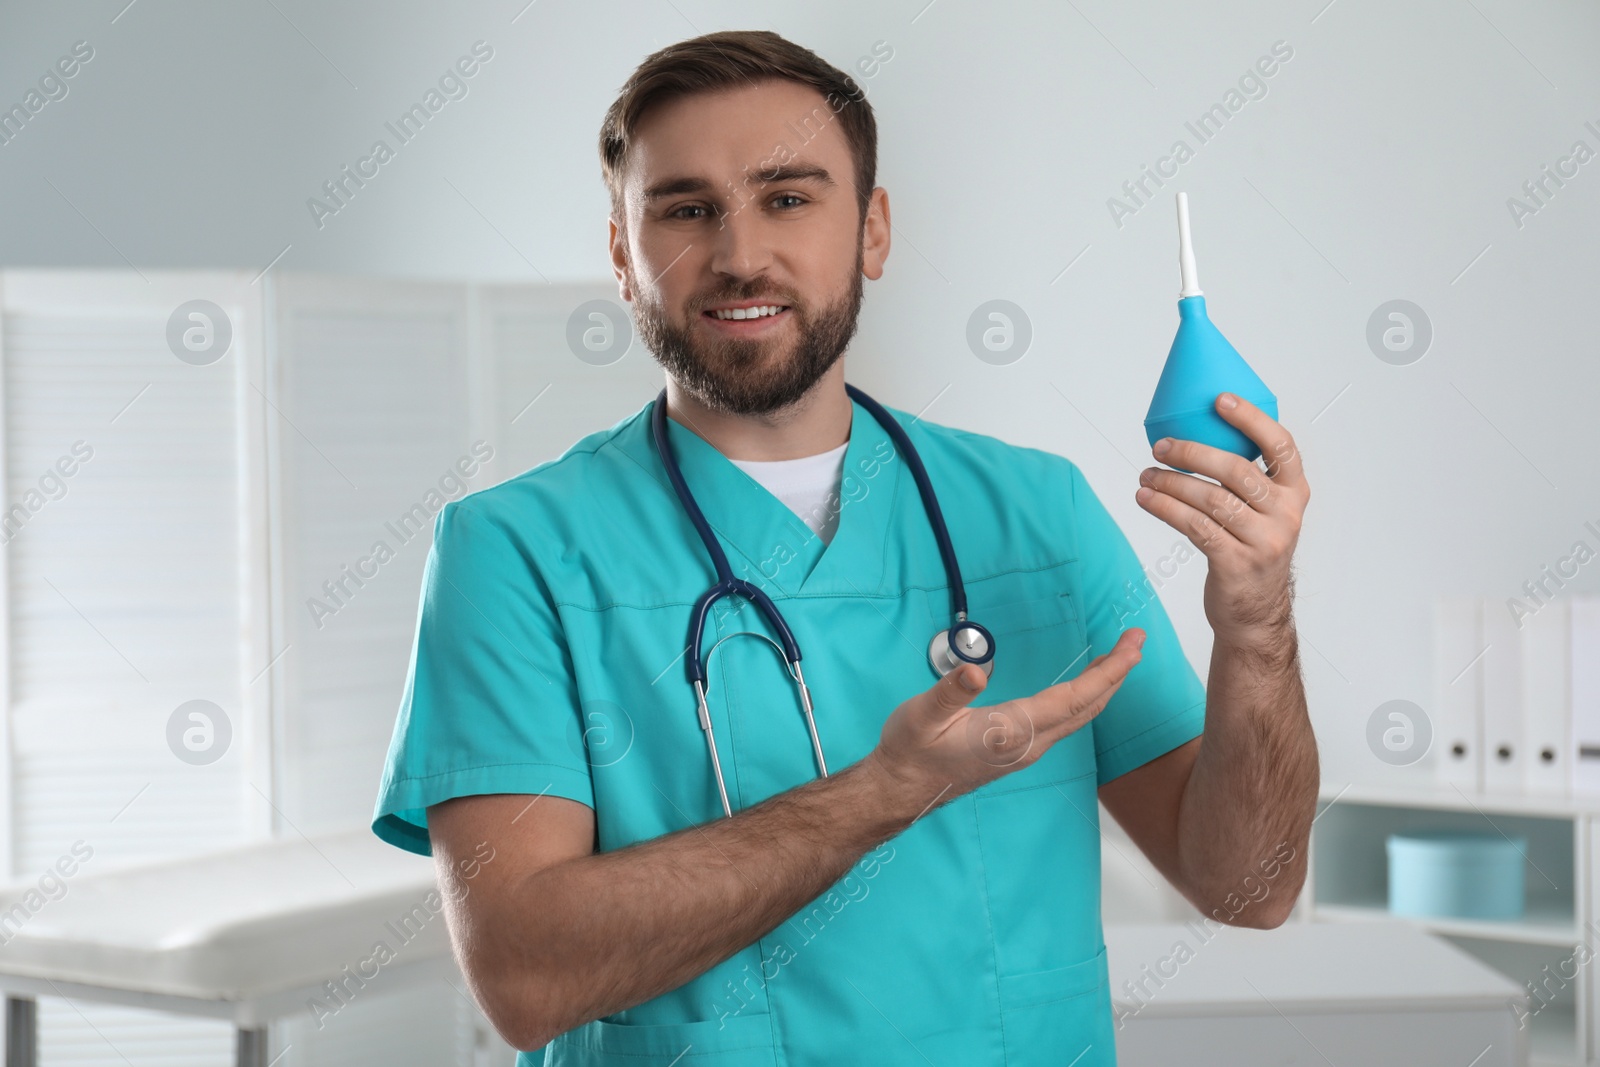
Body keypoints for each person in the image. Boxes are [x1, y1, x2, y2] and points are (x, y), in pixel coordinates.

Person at [372, 28, 1317, 1066]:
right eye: (685, 208)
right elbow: (524, 973)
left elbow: (1250, 884)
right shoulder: (514, 551)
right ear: (620, 254)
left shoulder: (1035, 513)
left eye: (788, 197)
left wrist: (1258, 628)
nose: (738, 253)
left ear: (871, 231)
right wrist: (884, 791)